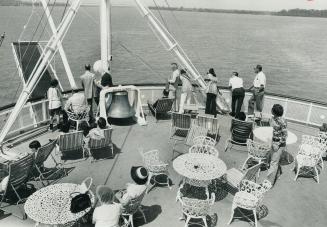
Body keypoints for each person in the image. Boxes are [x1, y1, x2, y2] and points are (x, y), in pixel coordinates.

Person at [267, 104, 288, 186]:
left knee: (273, 163)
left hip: (279, 144)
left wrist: (277, 145)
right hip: (273, 141)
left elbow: (285, 135)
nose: (271, 110)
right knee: (274, 161)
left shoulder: (282, 121)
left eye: (272, 109)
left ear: (274, 111)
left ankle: (269, 183)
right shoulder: (273, 119)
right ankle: (278, 173)